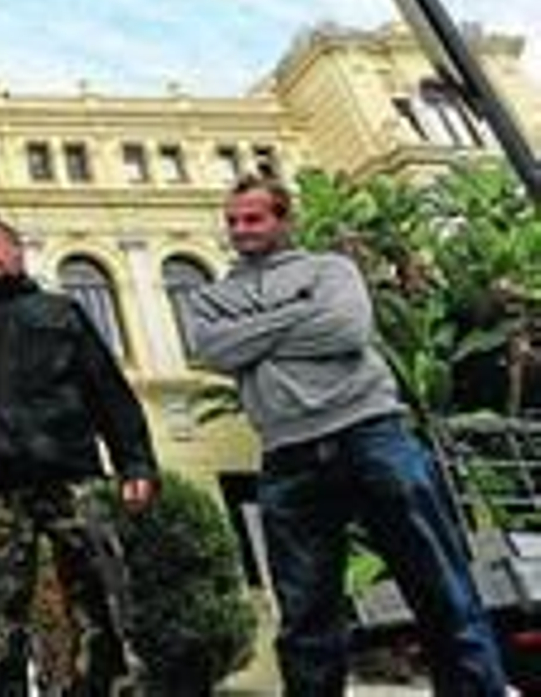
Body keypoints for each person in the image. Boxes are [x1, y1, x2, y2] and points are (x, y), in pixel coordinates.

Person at [186, 176, 508, 696]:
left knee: (441, 589)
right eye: (233, 221)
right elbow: (210, 351)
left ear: (284, 220)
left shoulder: (331, 270)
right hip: (287, 455)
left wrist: (253, 334)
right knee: (306, 618)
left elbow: (346, 329)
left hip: (373, 435)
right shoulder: (210, 297)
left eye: (253, 218)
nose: (240, 230)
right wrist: (300, 313)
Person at [0, 210, 159, 696]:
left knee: (101, 598)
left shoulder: (62, 310)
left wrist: (135, 461)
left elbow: (106, 388)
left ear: (16, 249)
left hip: (73, 475)